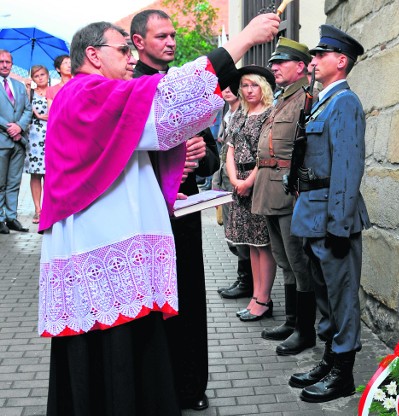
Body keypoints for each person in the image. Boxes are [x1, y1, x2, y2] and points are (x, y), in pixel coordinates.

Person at [38, 15, 279, 416]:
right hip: (102, 242)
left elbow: (131, 149)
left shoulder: (88, 92)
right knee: (115, 347)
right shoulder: (86, 92)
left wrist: (175, 163)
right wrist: (243, 41)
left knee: (122, 344)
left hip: (107, 238)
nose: (131, 60)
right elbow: (165, 102)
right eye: (124, 50)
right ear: (93, 55)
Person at [130, 9, 219, 411]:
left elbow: (214, 155)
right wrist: (165, 164)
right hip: (146, 214)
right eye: (160, 35)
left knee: (188, 296)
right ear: (138, 42)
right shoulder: (127, 90)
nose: (170, 42)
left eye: (172, 35)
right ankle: (154, 384)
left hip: (185, 212)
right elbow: (123, 157)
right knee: (150, 301)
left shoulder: (183, 87)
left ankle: (189, 384)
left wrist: (200, 154)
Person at [287, 25, 370, 403]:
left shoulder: (345, 103)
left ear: (341, 61)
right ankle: (328, 359)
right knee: (325, 298)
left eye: (320, 55)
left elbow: (347, 169)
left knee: (341, 297)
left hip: (332, 219)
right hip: (313, 215)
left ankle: (344, 372)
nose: (313, 60)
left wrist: (338, 223)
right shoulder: (322, 101)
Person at [253, 37, 316, 356]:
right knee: (283, 259)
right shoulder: (283, 99)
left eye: (281, 62)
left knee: (298, 260)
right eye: (273, 62)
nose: (273, 67)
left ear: (301, 66)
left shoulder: (306, 98)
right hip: (269, 187)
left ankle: (306, 330)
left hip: (289, 191)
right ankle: (292, 321)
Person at [225, 65, 277, 322]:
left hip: (260, 182)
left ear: (263, 87)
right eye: (244, 85)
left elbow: (267, 154)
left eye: (253, 85)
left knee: (263, 245)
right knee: (250, 245)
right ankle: (255, 297)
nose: (248, 90)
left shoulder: (270, 114)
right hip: (239, 183)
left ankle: (264, 299)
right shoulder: (239, 114)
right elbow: (230, 150)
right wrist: (235, 179)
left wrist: (248, 182)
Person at [216, 86, 254, 300]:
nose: (227, 90)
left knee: (242, 235)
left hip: (241, 179)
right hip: (226, 178)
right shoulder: (228, 112)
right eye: (225, 86)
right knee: (232, 233)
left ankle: (246, 281)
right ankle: (245, 279)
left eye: (233, 87)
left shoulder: (247, 112)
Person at [0, 49, 32, 234]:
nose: (4, 65)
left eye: (7, 62)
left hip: (18, 142)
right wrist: (9, 127)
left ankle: (12, 217)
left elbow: (28, 109)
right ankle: (0, 218)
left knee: (14, 182)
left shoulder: (19, 86)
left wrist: (19, 127)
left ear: (12, 64)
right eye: (1, 61)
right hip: (2, 140)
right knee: (0, 183)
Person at [25, 65, 49, 224]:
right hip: (34, 137)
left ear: (47, 75)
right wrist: (27, 90)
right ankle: (37, 210)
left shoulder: (54, 91)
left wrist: (43, 116)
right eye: (36, 76)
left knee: (50, 173)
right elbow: (25, 110)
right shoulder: (31, 93)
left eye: (42, 74)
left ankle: (48, 208)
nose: (40, 78)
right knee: (36, 174)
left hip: (51, 135)